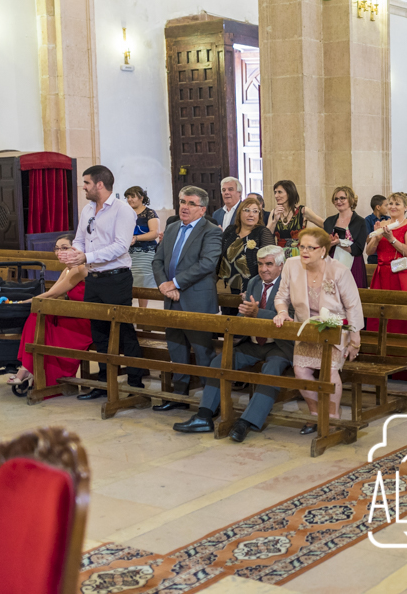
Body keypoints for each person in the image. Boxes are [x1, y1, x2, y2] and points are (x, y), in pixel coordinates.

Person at [173, 246, 294, 442]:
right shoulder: (254, 282)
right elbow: (244, 314)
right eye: (261, 264)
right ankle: (204, 416)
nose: (264, 269)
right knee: (220, 361)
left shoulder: (290, 285)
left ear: (281, 266)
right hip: (253, 342)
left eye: (269, 264)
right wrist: (240, 318)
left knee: (271, 369)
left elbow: (292, 319)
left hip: (279, 345)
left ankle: (245, 422)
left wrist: (257, 313)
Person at [59, 165, 146, 399]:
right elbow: (80, 239)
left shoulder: (122, 210)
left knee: (124, 330)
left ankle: (136, 384)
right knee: (99, 332)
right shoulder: (88, 209)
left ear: (99, 184)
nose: (83, 187)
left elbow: (120, 246)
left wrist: (86, 257)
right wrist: (71, 252)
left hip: (116, 278)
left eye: (86, 182)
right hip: (94, 278)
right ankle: (105, 382)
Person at [274, 230, 363, 432]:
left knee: (330, 372)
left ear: (322, 250)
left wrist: (355, 341)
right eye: (301, 246)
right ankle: (315, 414)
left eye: (310, 248)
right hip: (306, 329)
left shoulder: (339, 271)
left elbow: (353, 306)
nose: (304, 251)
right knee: (301, 371)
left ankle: (332, 415)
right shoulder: (291, 265)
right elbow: (281, 297)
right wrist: (281, 312)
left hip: (334, 329)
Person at [151, 185, 223, 410]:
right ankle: (179, 397)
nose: (185, 207)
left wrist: (176, 282)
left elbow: (207, 264)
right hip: (172, 299)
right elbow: (158, 261)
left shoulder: (211, 231)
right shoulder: (172, 228)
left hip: (197, 300)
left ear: (202, 209)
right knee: (176, 350)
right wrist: (164, 284)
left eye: (191, 203)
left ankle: (210, 404)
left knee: (203, 353)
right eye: (183, 202)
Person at [11, 234, 93, 387]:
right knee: (37, 315)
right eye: (56, 249)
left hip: (84, 321)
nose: (59, 252)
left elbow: (53, 294)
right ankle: (29, 367)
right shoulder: (67, 270)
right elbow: (52, 293)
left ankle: (29, 369)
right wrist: (22, 303)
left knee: (37, 316)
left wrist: (22, 303)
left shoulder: (79, 269)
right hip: (73, 315)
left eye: (64, 248)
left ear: (76, 249)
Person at [365, 192, 407, 377]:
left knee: (403, 319)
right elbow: (369, 250)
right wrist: (378, 236)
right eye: (391, 203)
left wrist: (391, 238)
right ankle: (380, 362)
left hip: (402, 275)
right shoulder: (382, 225)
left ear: (405, 207)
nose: (393, 206)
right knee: (381, 318)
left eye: (397, 203)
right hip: (382, 275)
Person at [218, 196, 276, 313]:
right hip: (228, 287)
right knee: (227, 322)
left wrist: (253, 289)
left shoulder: (262, 232)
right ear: (240, 213)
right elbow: (220, 256)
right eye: (247, 210)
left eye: (255, 211)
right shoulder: (230, 230)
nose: (251, 214)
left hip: (251, 288)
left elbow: (270, 263)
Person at [323, 185, 369, 288]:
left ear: (351, 200)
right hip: (332, 262)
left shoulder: (360, 221)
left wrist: (339, 243)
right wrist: (329, 243)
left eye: (342, 198)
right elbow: (322, 248)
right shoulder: (329, 221)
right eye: (336, 199)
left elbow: (358, 249)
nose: (338, 201)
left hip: (353, 264)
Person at [124, 186, 159, 306]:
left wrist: (136, 238)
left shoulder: (149, 213)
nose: (129, 199)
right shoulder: (125, 213)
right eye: (127, 197)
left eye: (132, 196)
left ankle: (142, 312)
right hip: (127, 253)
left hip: (145, 251)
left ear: (141, 197)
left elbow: (154, 233)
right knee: (127, 281)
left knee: (142, 282)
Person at [268, 179, 325, 253]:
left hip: (299, 254)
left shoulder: (303, 211)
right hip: (279, 255)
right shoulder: (274, 212)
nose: (276, 195)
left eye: (280, 192)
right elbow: (266, 235)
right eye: (275, 192)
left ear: (289, 193)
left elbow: (325, 225)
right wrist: (274, 220)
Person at [365, 194, 389, 265]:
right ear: (378, 207)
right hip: (374, 255)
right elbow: (367, 239)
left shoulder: (388, 219)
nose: (388, 208)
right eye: (386, 205)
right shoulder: (367, 220)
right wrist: (378, 231)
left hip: (386, 254)